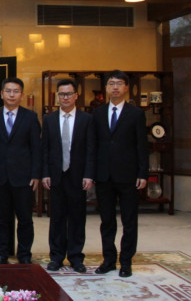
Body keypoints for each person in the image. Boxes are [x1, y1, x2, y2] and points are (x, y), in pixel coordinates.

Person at [93, 70, 149, 278]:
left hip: (128, 175)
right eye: (111, 84)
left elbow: (141, 146)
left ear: (126, 87)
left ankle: (126, 261)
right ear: (106, 88)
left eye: (119, 83)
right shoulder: (97, 113)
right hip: (104, 176)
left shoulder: (136, 114)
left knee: (129, 220)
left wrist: (143, 173)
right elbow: (94, 145)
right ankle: (108, 260)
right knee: (107, 220)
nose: (115, 87)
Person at [42, 79, 95, 273]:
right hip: (55, 175)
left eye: (68, 94)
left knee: (77, 217)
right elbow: (45, 149)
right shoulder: (49, 119)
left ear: (76, 96)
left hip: (78, 175)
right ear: (57, 97)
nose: (65, 98)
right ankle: (56, 256)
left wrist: (89, 174)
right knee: (56, 217)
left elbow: (91, 149)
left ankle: (75, 256)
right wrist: (45, 173)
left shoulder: (86, 119)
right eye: (61, 94)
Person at [0, 77, 41, 264]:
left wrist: (35, 174)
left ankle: (24, 254)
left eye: (15, 91)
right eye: (8, 91)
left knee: (25, 219)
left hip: (24, 177)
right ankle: (1, 254)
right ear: (1, 94)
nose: (11, 94)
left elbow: (36, 148)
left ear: (21, 95)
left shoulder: (30, 117)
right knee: (0, 219)